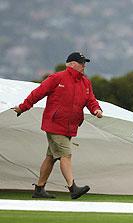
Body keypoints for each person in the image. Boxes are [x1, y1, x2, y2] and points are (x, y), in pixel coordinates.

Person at [13, 52, 103, 199]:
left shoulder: (85, 82)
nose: (84, 66)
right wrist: (23, 107)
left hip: (70, 127)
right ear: (72, 64)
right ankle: (72, 188)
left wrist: (96, 110)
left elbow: (91, 100)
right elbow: (37, 93)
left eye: (84, 63)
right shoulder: (57, 78)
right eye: (81, 63)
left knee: (51, 157)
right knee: (65, 155)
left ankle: (39, 189)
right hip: (54, 125)